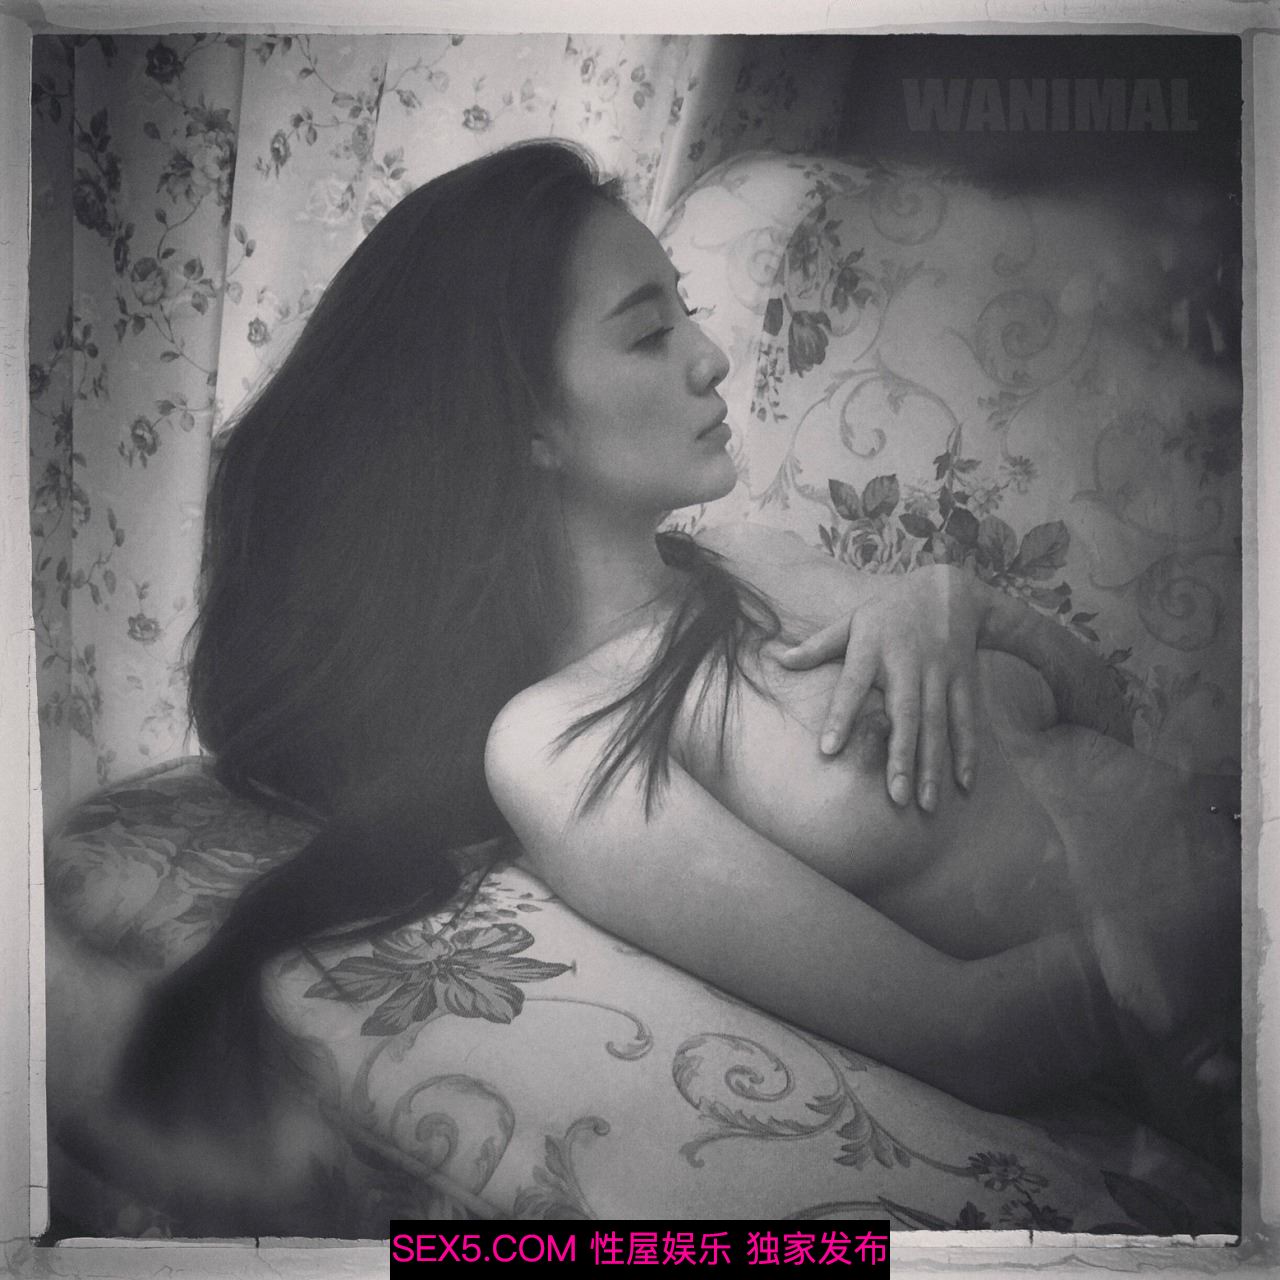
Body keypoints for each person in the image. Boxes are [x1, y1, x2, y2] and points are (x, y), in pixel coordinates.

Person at [109, 140, 1237, 1211]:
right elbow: (967, 1036)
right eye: (649, 334)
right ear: (529, 427)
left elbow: (1109, 730)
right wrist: (1215, 927)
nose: (709, 354)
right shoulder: (562, 741)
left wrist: (975, 606)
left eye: (685, 309)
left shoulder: (758, 556)